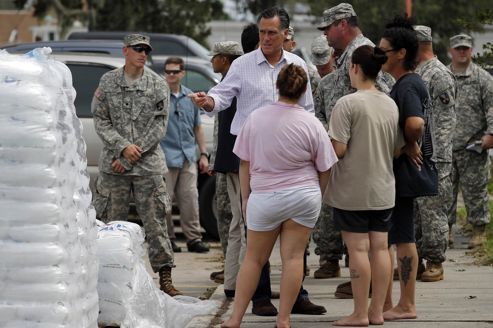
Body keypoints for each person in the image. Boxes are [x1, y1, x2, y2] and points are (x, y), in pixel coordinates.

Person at [190, 6, 326, 317]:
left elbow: (308, 110)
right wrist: (207, 101)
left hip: (292, 161)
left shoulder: (297, 65)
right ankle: (261, 296)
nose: (265, 38)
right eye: (262, 32)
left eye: (271, 33)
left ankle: (297, 295)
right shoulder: (242, 65)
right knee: (256, 230)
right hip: (253, 161)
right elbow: (221, 97)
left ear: (285, 35)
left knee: (296, 237)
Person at [221, 63, 337, 328]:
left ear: (277, 86)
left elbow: (244, 163)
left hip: (264, 195)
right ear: (305, 89)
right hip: (303, 195)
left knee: (254, 258)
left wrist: (246, 198)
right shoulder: (312, 123)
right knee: (293, 258)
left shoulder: (256, 119)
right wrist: (317, 195)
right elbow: (326, 166)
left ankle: (235, 318)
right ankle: (284, 319)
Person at [91, 33, 180, 296]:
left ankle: (165, 277)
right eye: (138, 49)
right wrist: (121, 149)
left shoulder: (157, 84)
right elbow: (101, 121)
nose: (143, 54)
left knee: (155, 223)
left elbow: (159, 126)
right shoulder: (108, 82)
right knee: (109, 224)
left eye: (146, 50)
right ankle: (108, 280)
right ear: (125, 51)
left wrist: (132, 153)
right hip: (114, 167)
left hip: (147, 166)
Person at [313, 2, 393, 288]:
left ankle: (365, 290)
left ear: (343, 24)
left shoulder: (362, 52)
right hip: (352, 159)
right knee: (369, 242)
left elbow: (382, 94)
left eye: (329, 29)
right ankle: (366, 288)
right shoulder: (344, 56)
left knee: (365, 243)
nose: (326, 36)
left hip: (361, 160)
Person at [328, 45, 400, 327]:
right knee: (380, 248)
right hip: (383, 187)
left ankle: (359, 313)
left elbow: (339, 150)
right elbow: (396, 149)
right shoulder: (389, 103)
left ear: (355, 68)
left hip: (352, 189)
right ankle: (377, 311)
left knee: (357, 249)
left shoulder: (347, 103)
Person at [379, 16, 430, 321]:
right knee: (397, 236)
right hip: (402, 175)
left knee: (403, 237)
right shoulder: (406, 83)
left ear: (400, 53)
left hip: (404, 175)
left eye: (384, 51)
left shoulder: (408, 85)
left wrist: (410, 141)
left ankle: (406, 303)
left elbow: (414, 122)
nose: (380, 55)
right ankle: (393, 303)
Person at [414, 25, 457, 282]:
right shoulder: (419, 71)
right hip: (418, 152)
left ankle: (435, 261)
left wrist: (436, 157)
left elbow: (444, 122)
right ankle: (414, 259)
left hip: (434, 156)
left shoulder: (438, 74)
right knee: (417, 211)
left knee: (433, 210)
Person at [447, 33, 493, 249]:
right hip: (445, 146)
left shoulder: (482, 78)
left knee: (476, 191)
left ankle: (478, 231)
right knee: (444, 192)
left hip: (473, 146)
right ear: (451, 51)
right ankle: (444, 231)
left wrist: (490, 135)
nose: (462, 52)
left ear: (471, 51)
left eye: (466, 48)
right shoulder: (443, 75)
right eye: (458, 48)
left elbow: (492, 109)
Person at [160, 57, 210, 254]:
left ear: (182, 73)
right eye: (168, 71)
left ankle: (193, 239)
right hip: (166, 156)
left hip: (188, 156)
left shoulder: (191, 97)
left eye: (175, 72)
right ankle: (169, 239)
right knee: (164, 201)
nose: (171, 75)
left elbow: (198, 127)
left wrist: (203, 154)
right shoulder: (159, 96)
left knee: (190, 199)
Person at [208, 41, 244, 296]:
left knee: (239, 224)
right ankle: (235, 281)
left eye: (216, 57)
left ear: (225, 59)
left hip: (236, 162)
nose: (212, 61)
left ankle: (235, 281)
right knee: (241, 224)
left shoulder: (233, 83)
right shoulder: (231, 84)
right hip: (236, 163)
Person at [283, 25, 321, 97]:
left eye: (285, 41)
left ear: (293, 45)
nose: (281, 44)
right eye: (278, 39)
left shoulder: (307, 73)